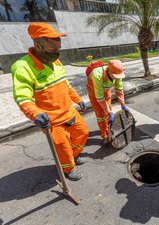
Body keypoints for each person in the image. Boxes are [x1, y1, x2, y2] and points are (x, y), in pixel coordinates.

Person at [11, 23, 89, 181]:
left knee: (83, 133)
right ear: (38, 45)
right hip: (51, 120)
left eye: (58, 49)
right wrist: (36, 114)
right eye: (53, 50)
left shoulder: (56, 63)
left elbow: (65, 85)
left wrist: (78, 99)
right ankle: (68, 168)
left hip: (69, 111)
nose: (57, 53)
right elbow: (22, 97)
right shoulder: (23, 67)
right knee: (62, 146)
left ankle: (74, 156)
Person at [86, 59, 129, 143]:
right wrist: (109, 112)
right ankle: (104, 135)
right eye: (115, 76)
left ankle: (108, 129)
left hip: (106, 90)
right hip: (94, 93)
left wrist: (123, 104)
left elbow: (119, 89)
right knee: (101, 114)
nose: (116, 78)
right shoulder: (97, 75)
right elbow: (100, 98)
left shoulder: (117, 73)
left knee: (108, 111)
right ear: (108, 71)